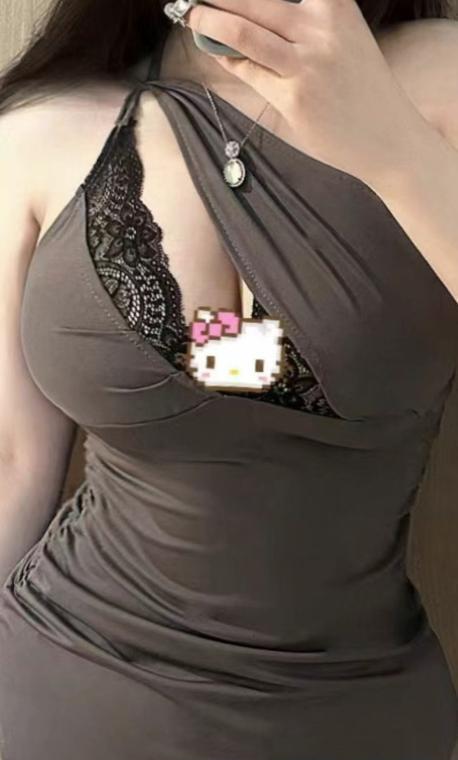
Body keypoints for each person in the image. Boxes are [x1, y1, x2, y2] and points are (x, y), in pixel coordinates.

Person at [0, 0, 458, 757]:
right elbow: (14, 463)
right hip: (57, 685)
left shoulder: (440, 75)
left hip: (354, 716)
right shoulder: (43, 130)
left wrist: (391, 148)